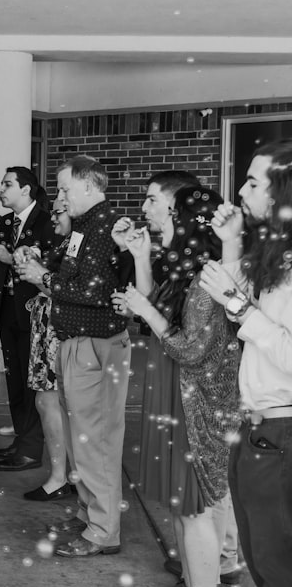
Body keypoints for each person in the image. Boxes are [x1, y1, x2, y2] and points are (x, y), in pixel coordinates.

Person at [115, 187, 240, 587]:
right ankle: (193, 586)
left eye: (170, 212)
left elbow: (190, 348)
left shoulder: (209, 279)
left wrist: (142, 311)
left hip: (196, 403)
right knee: (182, 506)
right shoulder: (188, 270)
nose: (161, 217)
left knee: (196, 509)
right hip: (177, 393)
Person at [18, 155, 134, 557]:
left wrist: (42, 279)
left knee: (96, 441)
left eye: (66, 188)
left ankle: (103, 531)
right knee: (81, 439)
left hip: (95, 344)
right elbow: (69, 271)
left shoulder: (105, 227)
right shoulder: (85, 227)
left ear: (89, 186)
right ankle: (88, 514)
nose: (61, 197)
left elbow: (94, 292)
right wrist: (40, 264)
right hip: (76, 341)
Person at [199, 139, 292, 587]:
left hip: (283, 435)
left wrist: (239, 308)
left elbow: (240, 309)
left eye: (254, 182)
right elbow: (233, 297)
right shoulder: (276, 253)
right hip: (261, 431)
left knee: (280, 569)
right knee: (264, 564)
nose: (240, 189)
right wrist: (232, 242)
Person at [113, 171, 201, 511]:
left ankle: (220, 554)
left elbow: (179, 326)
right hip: (164, 355)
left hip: (188, 365)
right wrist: (138, 257)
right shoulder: (170, 250)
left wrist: (142, 309)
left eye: (152, 199)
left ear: (176, 205)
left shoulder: (198, 255)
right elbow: (156, 302)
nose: (144, 207)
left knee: (196, 462)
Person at [0, 166, 59, 471]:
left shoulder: (46, 222)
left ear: (26, 189)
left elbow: (47, 265)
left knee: (33, 384)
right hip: (6, 310)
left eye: (7, 185)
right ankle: (21, 438)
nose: (1, 190)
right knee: (15, 379)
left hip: (33, 311)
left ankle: (32, 448)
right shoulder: (5, 221)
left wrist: (9, 255)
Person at [18, 197, 76, 501]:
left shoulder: (78, 243)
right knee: (48, 402)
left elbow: (63, 288)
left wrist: (35, 272)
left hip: (59, 329)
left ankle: (60, 477)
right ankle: (65, 474)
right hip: (48, 327)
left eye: (58, 210)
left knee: (51, 401)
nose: (52, 216)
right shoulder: (68, 241)